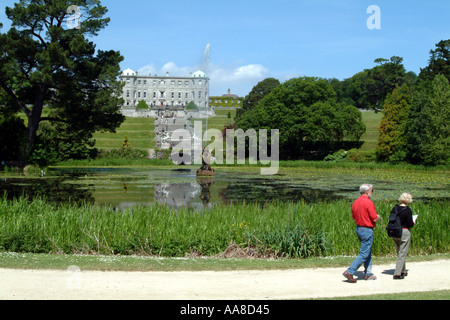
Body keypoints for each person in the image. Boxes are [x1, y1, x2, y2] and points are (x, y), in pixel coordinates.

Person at [343, 184, 381, 283]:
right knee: (364, 253)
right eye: (372, 191)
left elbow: (354, 217)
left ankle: (368, 273)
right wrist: (378, 217)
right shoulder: (368, 203)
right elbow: (374, 218)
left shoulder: (355, 202)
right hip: (367, 229)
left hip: (359, 228)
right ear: (367, 191)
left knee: (367, 251)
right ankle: (350, 271)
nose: (372, 193)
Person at [391, 193, 415, 280]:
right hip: (404, 231)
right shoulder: (407, 210)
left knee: (400, 252)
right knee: (402, 252)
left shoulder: (395, 208)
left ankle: (403, 270)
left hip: (394, 231)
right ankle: (397, 274)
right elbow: (410, 224)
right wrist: (413, 222)